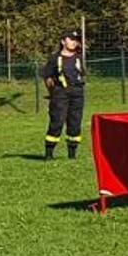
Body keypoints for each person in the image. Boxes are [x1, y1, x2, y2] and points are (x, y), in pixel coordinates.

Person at [41, 30, 88, 159]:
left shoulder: (78, 57)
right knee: (57, 122)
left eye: (76, 40)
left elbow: (82, 75)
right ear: (63, 41)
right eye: (71, 39)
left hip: (77, 94)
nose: (74, 42)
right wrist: (53, 93)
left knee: (75, 123)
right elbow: (48, 78)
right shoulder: (55, 58)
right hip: (60, 93)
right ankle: (49, 154)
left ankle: (72, 154)